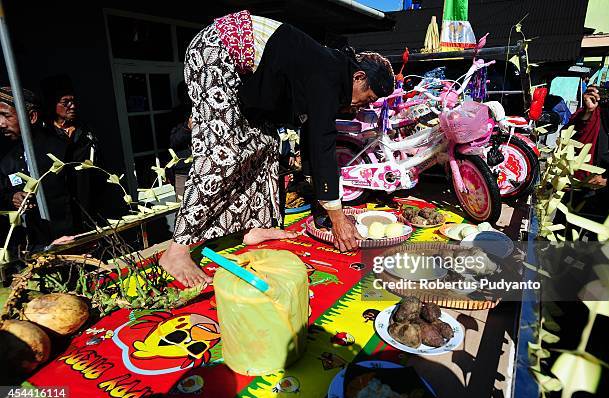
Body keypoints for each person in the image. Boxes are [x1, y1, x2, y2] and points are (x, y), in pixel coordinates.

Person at [159, 10, 395, 287]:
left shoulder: (329, 76)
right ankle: (176, 251)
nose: (363, 106)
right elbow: (322, 143)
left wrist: (322, 200)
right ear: (357, 77)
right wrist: (337, 215)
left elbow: (311, 140)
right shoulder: (329, 72)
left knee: (266, 143)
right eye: (368, 98)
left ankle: (255, 226)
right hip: (215, 49)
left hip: (245, 79)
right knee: (223, 153)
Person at [0, 87, 74, 250]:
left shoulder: (62, 151)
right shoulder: (8, 161)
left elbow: (82, 198)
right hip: (33, 248)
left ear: (32, 117)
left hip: (69, 242)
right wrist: (13, 197)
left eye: (6, 115)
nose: (1, 124)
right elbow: (4, 195)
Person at [40, 75, 103, 227]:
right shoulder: (44, 135)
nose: (72, 106)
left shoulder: (86, 132)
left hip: (87, 204)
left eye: (73, 101)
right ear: (52, 103)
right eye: (66, 102)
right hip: (61, 212)